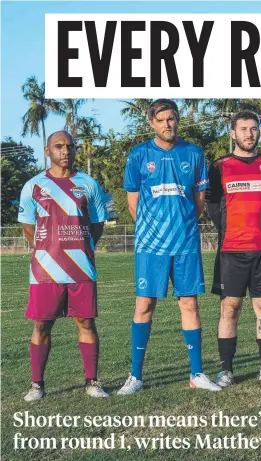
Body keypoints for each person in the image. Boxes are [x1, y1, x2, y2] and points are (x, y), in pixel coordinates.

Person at [118, 99, 220, 394]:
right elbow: (133, 203)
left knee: (189, 303)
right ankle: (136, 376)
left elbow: (198, 202)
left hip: (186, 243)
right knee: (145, 305)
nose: (167, 124)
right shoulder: (139, 155)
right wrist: (153, 229)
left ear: (178, 120)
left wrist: (181, 224)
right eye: (161, 120)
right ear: (151, 123)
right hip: (151, 245)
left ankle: (197, 373)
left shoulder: (193, 153)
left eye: (172, 119)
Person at [18, 130, 109, 401]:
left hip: (81, 269)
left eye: (70, 146)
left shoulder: (88, 184)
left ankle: (92, 381)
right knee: (42, 326)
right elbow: (27, 227)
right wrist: (48, 252)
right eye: (59, 146)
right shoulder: (33, 185)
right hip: (45, 271)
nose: (65, 151)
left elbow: (97, 225)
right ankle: (37, 385)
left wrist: (80, 249)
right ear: (48, 151)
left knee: (86, 322)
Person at [207, 111, 261, 386]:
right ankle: (225, 371)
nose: (249, 134)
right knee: (230, 307)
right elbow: (213, 207)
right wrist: (233, 229)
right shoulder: (219, 167)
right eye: (243, 129)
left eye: (253, 129)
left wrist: (258, 228)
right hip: (231, 249)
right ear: (233, 133)